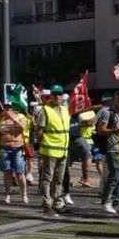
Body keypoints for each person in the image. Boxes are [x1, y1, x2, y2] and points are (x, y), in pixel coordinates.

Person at [32, 87, 70, 219]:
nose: (58, 97)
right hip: (50, 149)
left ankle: (58, 203)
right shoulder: (45, 110)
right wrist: (41, 143)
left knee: (59, 179)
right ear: (51, 96)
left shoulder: (65, 110)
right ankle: (47, 204)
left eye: (60, 94)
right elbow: (39, 130)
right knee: (47, 178)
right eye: (55, 94)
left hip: (63, 150)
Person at [93, 90, 119, 215]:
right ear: (115, 99)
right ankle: (106, 202)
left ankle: (117, 201)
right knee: (114, 175)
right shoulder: (108, 113)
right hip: (112, 148)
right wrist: (116, 130)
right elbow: (101, 130)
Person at [0, 101, 30, 205]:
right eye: (6, 107)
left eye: (10, 107)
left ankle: (24, 194)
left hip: (18, 148)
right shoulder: (1, 118)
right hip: (4, 148)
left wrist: (13, 119)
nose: (8, 109)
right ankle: (7, 194)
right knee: (7, 172)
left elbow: (23, 127)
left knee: (20, 173)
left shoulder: (21, 117)